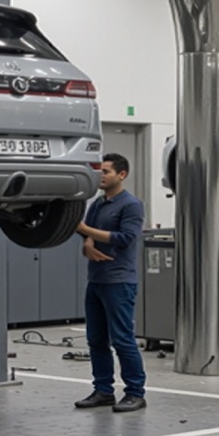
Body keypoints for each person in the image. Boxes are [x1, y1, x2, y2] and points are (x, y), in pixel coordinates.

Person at [73, 153, 147, 414]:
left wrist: (85, 230)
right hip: (96, 279)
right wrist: (88, 245)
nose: (100, 176)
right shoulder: (97, 204)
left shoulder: (131, 205)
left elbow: (125, 238)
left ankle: (135, 393)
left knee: (123, 340)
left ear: (121, 174)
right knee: (96, 339)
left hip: (119, 281)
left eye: (105, 171)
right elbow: (87, 233)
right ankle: (103, 390)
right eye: (99, 171)